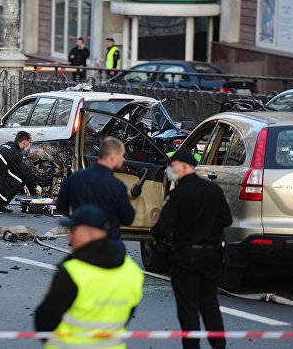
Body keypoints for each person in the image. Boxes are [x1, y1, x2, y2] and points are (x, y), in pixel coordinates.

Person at [152, 149, 232, 349]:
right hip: (212, 256)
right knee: (210, 304)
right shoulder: (213, 190)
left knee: (188, 308)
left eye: (172, 166)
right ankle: (219, 345)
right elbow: (227, 219)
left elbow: (162, 229)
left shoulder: (177, 195)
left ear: (185, 166)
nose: (170, 170)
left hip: (185, 257)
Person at [35, 205, 144, 349]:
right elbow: (127, 316)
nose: (69, 236)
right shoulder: (132, 272)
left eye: (74, 230)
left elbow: (45, 321)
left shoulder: (72, 273)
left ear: (91, 233)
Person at [56, 137, 135, 254]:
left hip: (81, 242)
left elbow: (61, 206)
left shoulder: (75, 178)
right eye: (122, 155)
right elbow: (128, 218)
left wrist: (79, 218)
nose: (123, 160)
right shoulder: (117, 186)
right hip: (108, 243)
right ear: (113, 156)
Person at [0, 131, 41, 213]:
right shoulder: (16, 153)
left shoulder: (9, 144)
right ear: (24, 142)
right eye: (29, 142)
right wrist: (35, 186)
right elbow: (23, 172)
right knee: (20, 181)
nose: (29, 144)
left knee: (6, 179)